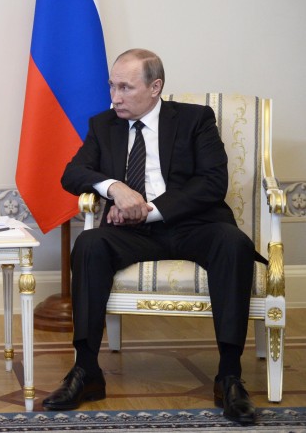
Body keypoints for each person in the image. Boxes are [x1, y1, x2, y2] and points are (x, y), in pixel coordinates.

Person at [45, 48, 262, 425]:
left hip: (194, 225)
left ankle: (229, 376)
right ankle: (86, 371)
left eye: (125, 88)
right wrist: (115, 189)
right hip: (131, 233)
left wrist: (147, 208)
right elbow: (72, 174)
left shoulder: (195, 119)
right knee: (89, 245)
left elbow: (212, 182)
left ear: (155, 87)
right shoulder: (103, 125)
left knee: (234, 244)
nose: (115, 97)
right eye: (112, 86)